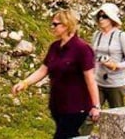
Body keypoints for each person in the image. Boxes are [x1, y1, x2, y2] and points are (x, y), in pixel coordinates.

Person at [12, 9, 101, 139]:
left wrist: (95, 105)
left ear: (66, 25)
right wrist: (25, 83)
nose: (52, 27)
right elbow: (43, 70)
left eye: (55, 24)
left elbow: (90, 78)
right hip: (58, 105)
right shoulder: (54, 47)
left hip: (76, 106)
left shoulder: (82, 49)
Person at [91, 3, 125, 108]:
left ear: (112, 19)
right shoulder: (96, 35)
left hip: (116, 83)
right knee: (90, 113)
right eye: (99, 16)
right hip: (98, 82)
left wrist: (116, 65)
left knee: (117, 114)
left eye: (105, 16)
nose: (101, 19)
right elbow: (93, 56)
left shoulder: (122, 36)